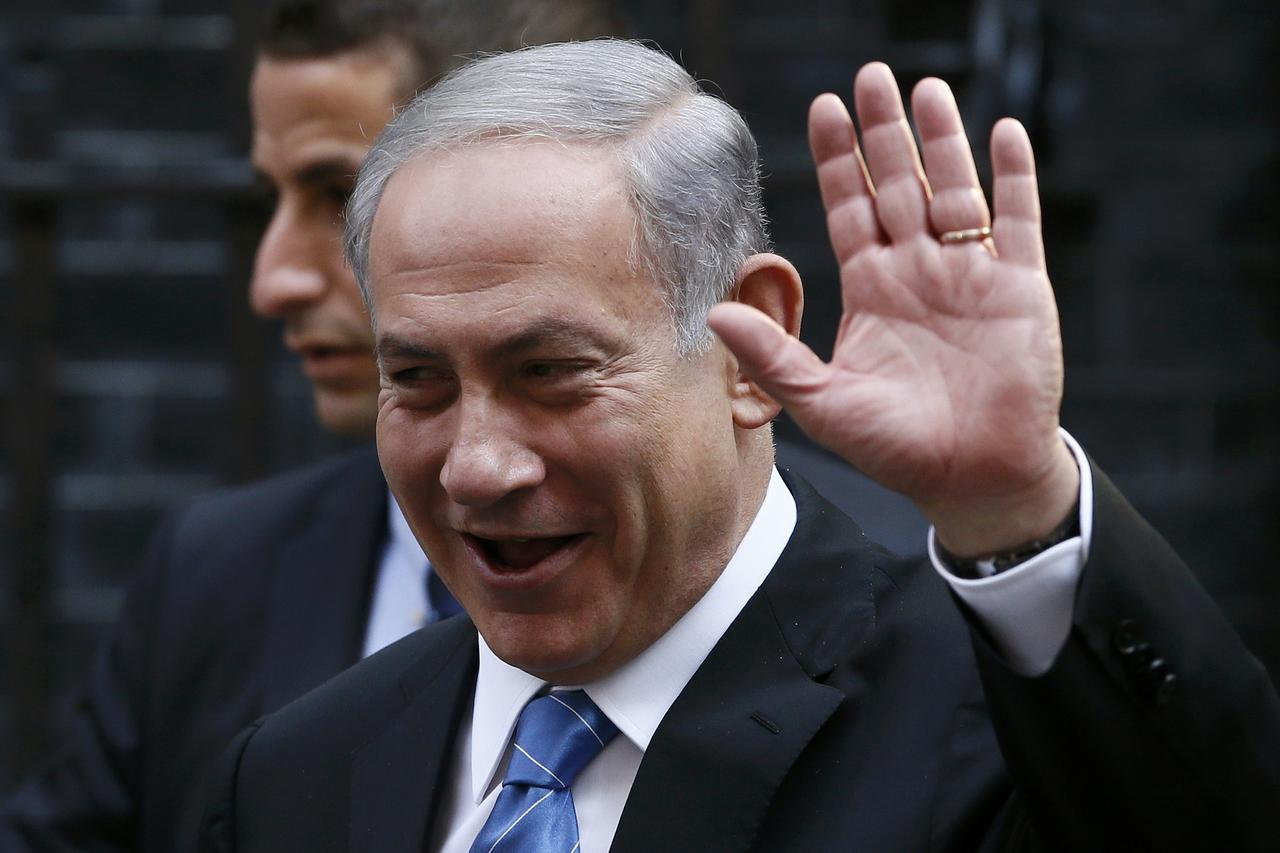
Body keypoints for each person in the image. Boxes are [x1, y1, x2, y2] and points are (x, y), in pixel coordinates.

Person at [200, 40, 1279, 852]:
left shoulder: (993, 732)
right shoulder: (295, 774)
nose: (478, 464)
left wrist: (1015, 503)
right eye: (418, 381)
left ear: (746, 349)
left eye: (550, 374)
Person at [0, 3, 621, 852]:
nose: (273, 280)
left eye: (338, 196)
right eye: (271, 198)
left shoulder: (836, 595)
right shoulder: (211, 576)